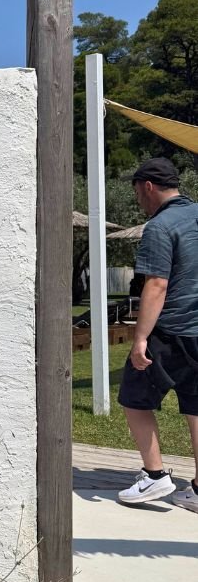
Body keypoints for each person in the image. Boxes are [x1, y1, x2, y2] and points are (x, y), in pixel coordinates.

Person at [118, 157, 198, 508]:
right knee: (196, 407)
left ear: (147, 186)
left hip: (172, 330)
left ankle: (154, 477)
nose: (138, 199)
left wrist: (139, 339)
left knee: (133, 398)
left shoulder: (160, 226)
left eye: (137, 192)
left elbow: (157, 285)